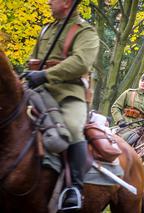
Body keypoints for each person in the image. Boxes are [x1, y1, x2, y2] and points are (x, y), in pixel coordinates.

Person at [25, 0, 99, 210]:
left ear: (67, 3)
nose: (48, 2)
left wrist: (46, 74)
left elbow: (81, 63)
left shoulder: (85, 31)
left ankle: (74, 189)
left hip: (68, 95)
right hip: (38, 92)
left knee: (73, 129)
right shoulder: (46, 30)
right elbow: (33, 60)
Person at [111, 72, 144, 145]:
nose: (143, 83)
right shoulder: (129, 93)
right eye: (142, 81)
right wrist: (120, 120)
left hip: (142, 129)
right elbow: (115, 107)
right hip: (126, 126)